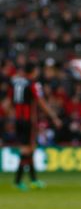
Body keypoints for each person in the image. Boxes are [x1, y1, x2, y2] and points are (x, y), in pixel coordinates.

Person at [10, 63, 62, 191]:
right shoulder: (33, 84)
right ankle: (18, 181)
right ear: (33, 71)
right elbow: (41, 102)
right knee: (27, 150)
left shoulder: (17, 83)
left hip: (18, 120)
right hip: (29, 121)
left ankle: (33, 180)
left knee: (29, 150)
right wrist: (53, 117)